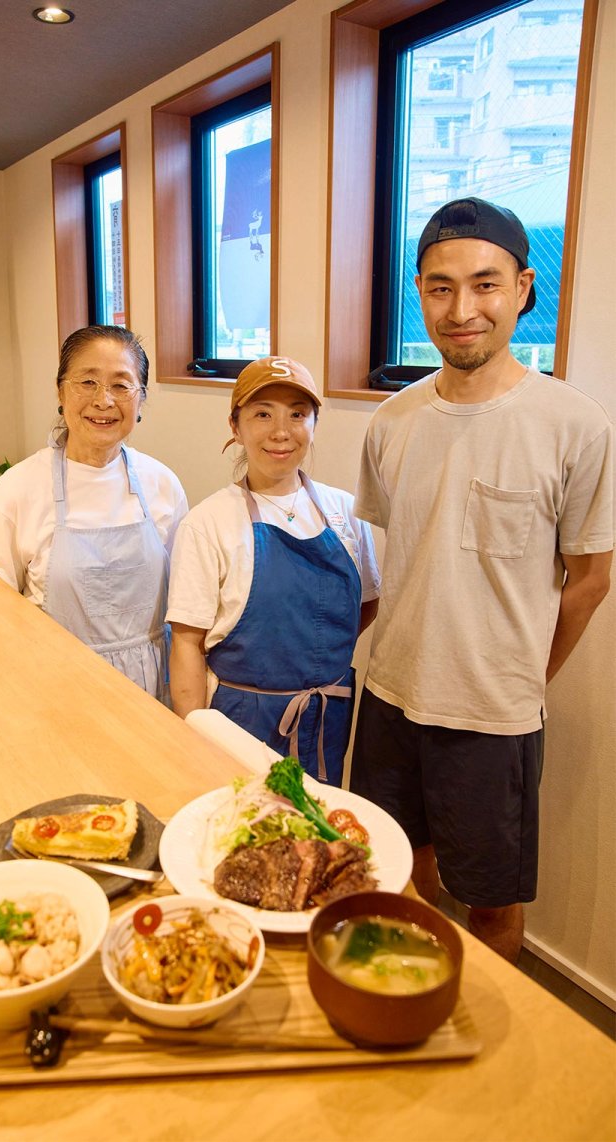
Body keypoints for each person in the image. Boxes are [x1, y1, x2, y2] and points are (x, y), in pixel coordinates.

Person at [350, 197, 613, 961]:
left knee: (493, 903)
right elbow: (403, 556)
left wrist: (525, 680)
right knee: (395, 873)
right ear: (421, 293)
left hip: (493, 718)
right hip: (392, 697)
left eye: (485, 284)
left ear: (525, 288)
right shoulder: (391, 423)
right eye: (439, 287)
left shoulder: (574, 425)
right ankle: (406, 1009)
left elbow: (591, 579)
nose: (462, 309)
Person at [167, 355, 380, 785]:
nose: (281, 432)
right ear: (235, 425)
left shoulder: (344, 513)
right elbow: (186, 643)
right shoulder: (208, 524)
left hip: (325, 715)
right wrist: (194, 737)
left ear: (314, 424)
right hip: (240, 721)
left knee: (315, 837)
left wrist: (310, 660)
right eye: (262, 414)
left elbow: (366, 606)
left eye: (297, 415)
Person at [0, 325, 188, 701]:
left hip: (151, 685)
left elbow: (184, 603)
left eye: (121, 385)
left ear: (141, 399)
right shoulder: (17, 489)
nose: (104, 400)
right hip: (54, 686)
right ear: (60, 391)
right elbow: (0, 618)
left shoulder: (162, 484)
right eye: (87, 382)